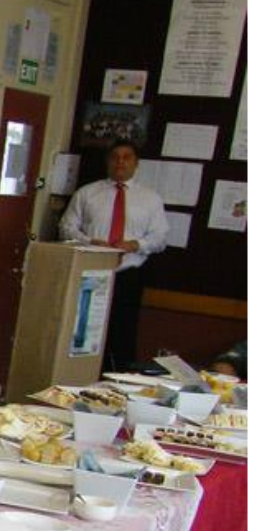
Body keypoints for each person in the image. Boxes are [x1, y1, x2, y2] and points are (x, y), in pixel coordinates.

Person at [59, 138, 169, 369]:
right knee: (83, 331)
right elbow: (66, 228)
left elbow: (160, 238)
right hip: (89, 272)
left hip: (127, 275)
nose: (120, 162)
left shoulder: (151, 199)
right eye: (115, 157)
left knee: (122, 334)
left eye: (126, 157)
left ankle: (117, 377)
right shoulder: (87, 193)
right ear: (108, 162)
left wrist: (135, 244)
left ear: (136, 163)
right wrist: (89, 241)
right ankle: (78, 374)